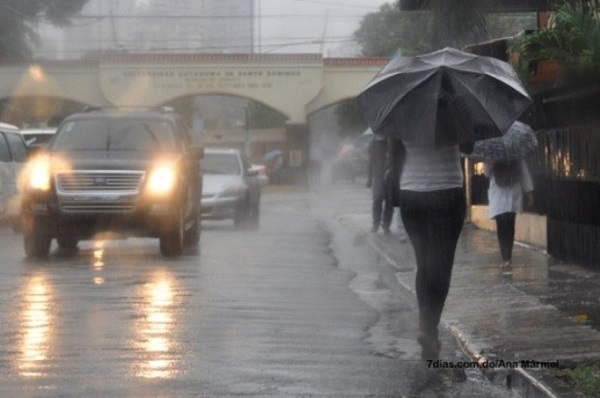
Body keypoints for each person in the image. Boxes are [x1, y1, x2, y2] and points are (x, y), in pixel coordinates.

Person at [398, 139, 474, 361]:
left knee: (424, 263)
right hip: (447, 191)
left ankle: (426, 327)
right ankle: (429, 330)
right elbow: (468, 147)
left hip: (411, 193)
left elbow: (394, 148)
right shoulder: (456, 106)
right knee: (441, 265)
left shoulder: (404, 108)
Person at [483, 160, 534, 271]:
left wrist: (490, 165)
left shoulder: (493, 153)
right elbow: (523, 170)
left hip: (504, 193)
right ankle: (506, 258)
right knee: (507, 226)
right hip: (507, 193)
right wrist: (529, 191)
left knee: (504, 226)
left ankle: (506, 258)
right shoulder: (514, 151)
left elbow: (486, 173)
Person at [366, 134, 394, 234]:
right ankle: (376, 224)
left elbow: (396, 158)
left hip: (390, 175)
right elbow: (369, 162)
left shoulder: (391, 141)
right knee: (377, 198)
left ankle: (386, 225)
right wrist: (369, 178)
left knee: (389, 200)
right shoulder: (373, 143)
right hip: (377, 175)